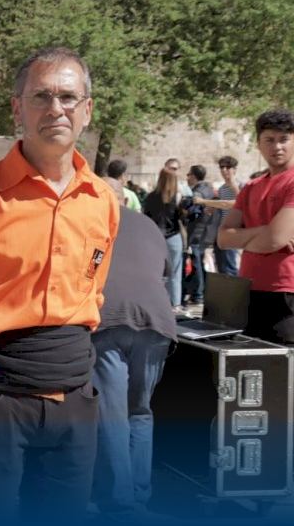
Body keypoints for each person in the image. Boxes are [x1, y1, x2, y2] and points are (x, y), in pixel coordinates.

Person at [0, 47, 119, 523]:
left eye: (68, 97)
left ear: (87, 110)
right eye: (41, 96)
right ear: (17, 108)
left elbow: (92, 292)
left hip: (74, 401)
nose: (55, 108)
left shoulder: (103, 201)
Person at [91, 178, 176, 518]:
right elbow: (165, 269)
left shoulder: (87, 219)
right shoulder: (147, 224)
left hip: (108, 319)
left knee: (112, 414)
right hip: (156, 322)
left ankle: (119, 502)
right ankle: (138, 494)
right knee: (139, 410)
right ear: (124, 198)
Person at [217, 109, 294, 344]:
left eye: (284, 139)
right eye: (269, 140)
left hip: (286, 289)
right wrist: (266, 232)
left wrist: (251, 238)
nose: (277, 147)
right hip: (249, 288)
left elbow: (274, 240)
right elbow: (223, 239)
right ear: (258, 144)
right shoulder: (251, 187)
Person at [143, 169, 185, 312]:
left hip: (155, 237)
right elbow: (182, 218)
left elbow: (146, 217)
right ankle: (175, 304)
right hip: (173, 237)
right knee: (175, 273)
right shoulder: (178, 197)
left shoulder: (150, 197)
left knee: (156, 272)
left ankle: (156, 302)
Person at [195, 155, 243, 276]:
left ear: (234, 169)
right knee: (221, 267)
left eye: (228, 167)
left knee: (230, 268)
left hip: (234, 231)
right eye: (222, 167)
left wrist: (203, 201)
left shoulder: (241, 185)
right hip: (221, 230)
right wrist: (213, 207)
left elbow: (238, 203)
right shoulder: (221, 189)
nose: (224, 170)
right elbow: (223, 206)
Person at [181, 164, 217, 306]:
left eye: (189, 174)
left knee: (196, 263)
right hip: (207, 231)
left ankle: (198, 294)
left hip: (197, 231)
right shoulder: (209, 189)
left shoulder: (198, 192)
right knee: (200, 263)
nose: (187, 177)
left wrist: (185, 208)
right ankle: (202, 291)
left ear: (194, 176)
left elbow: (194, 210)